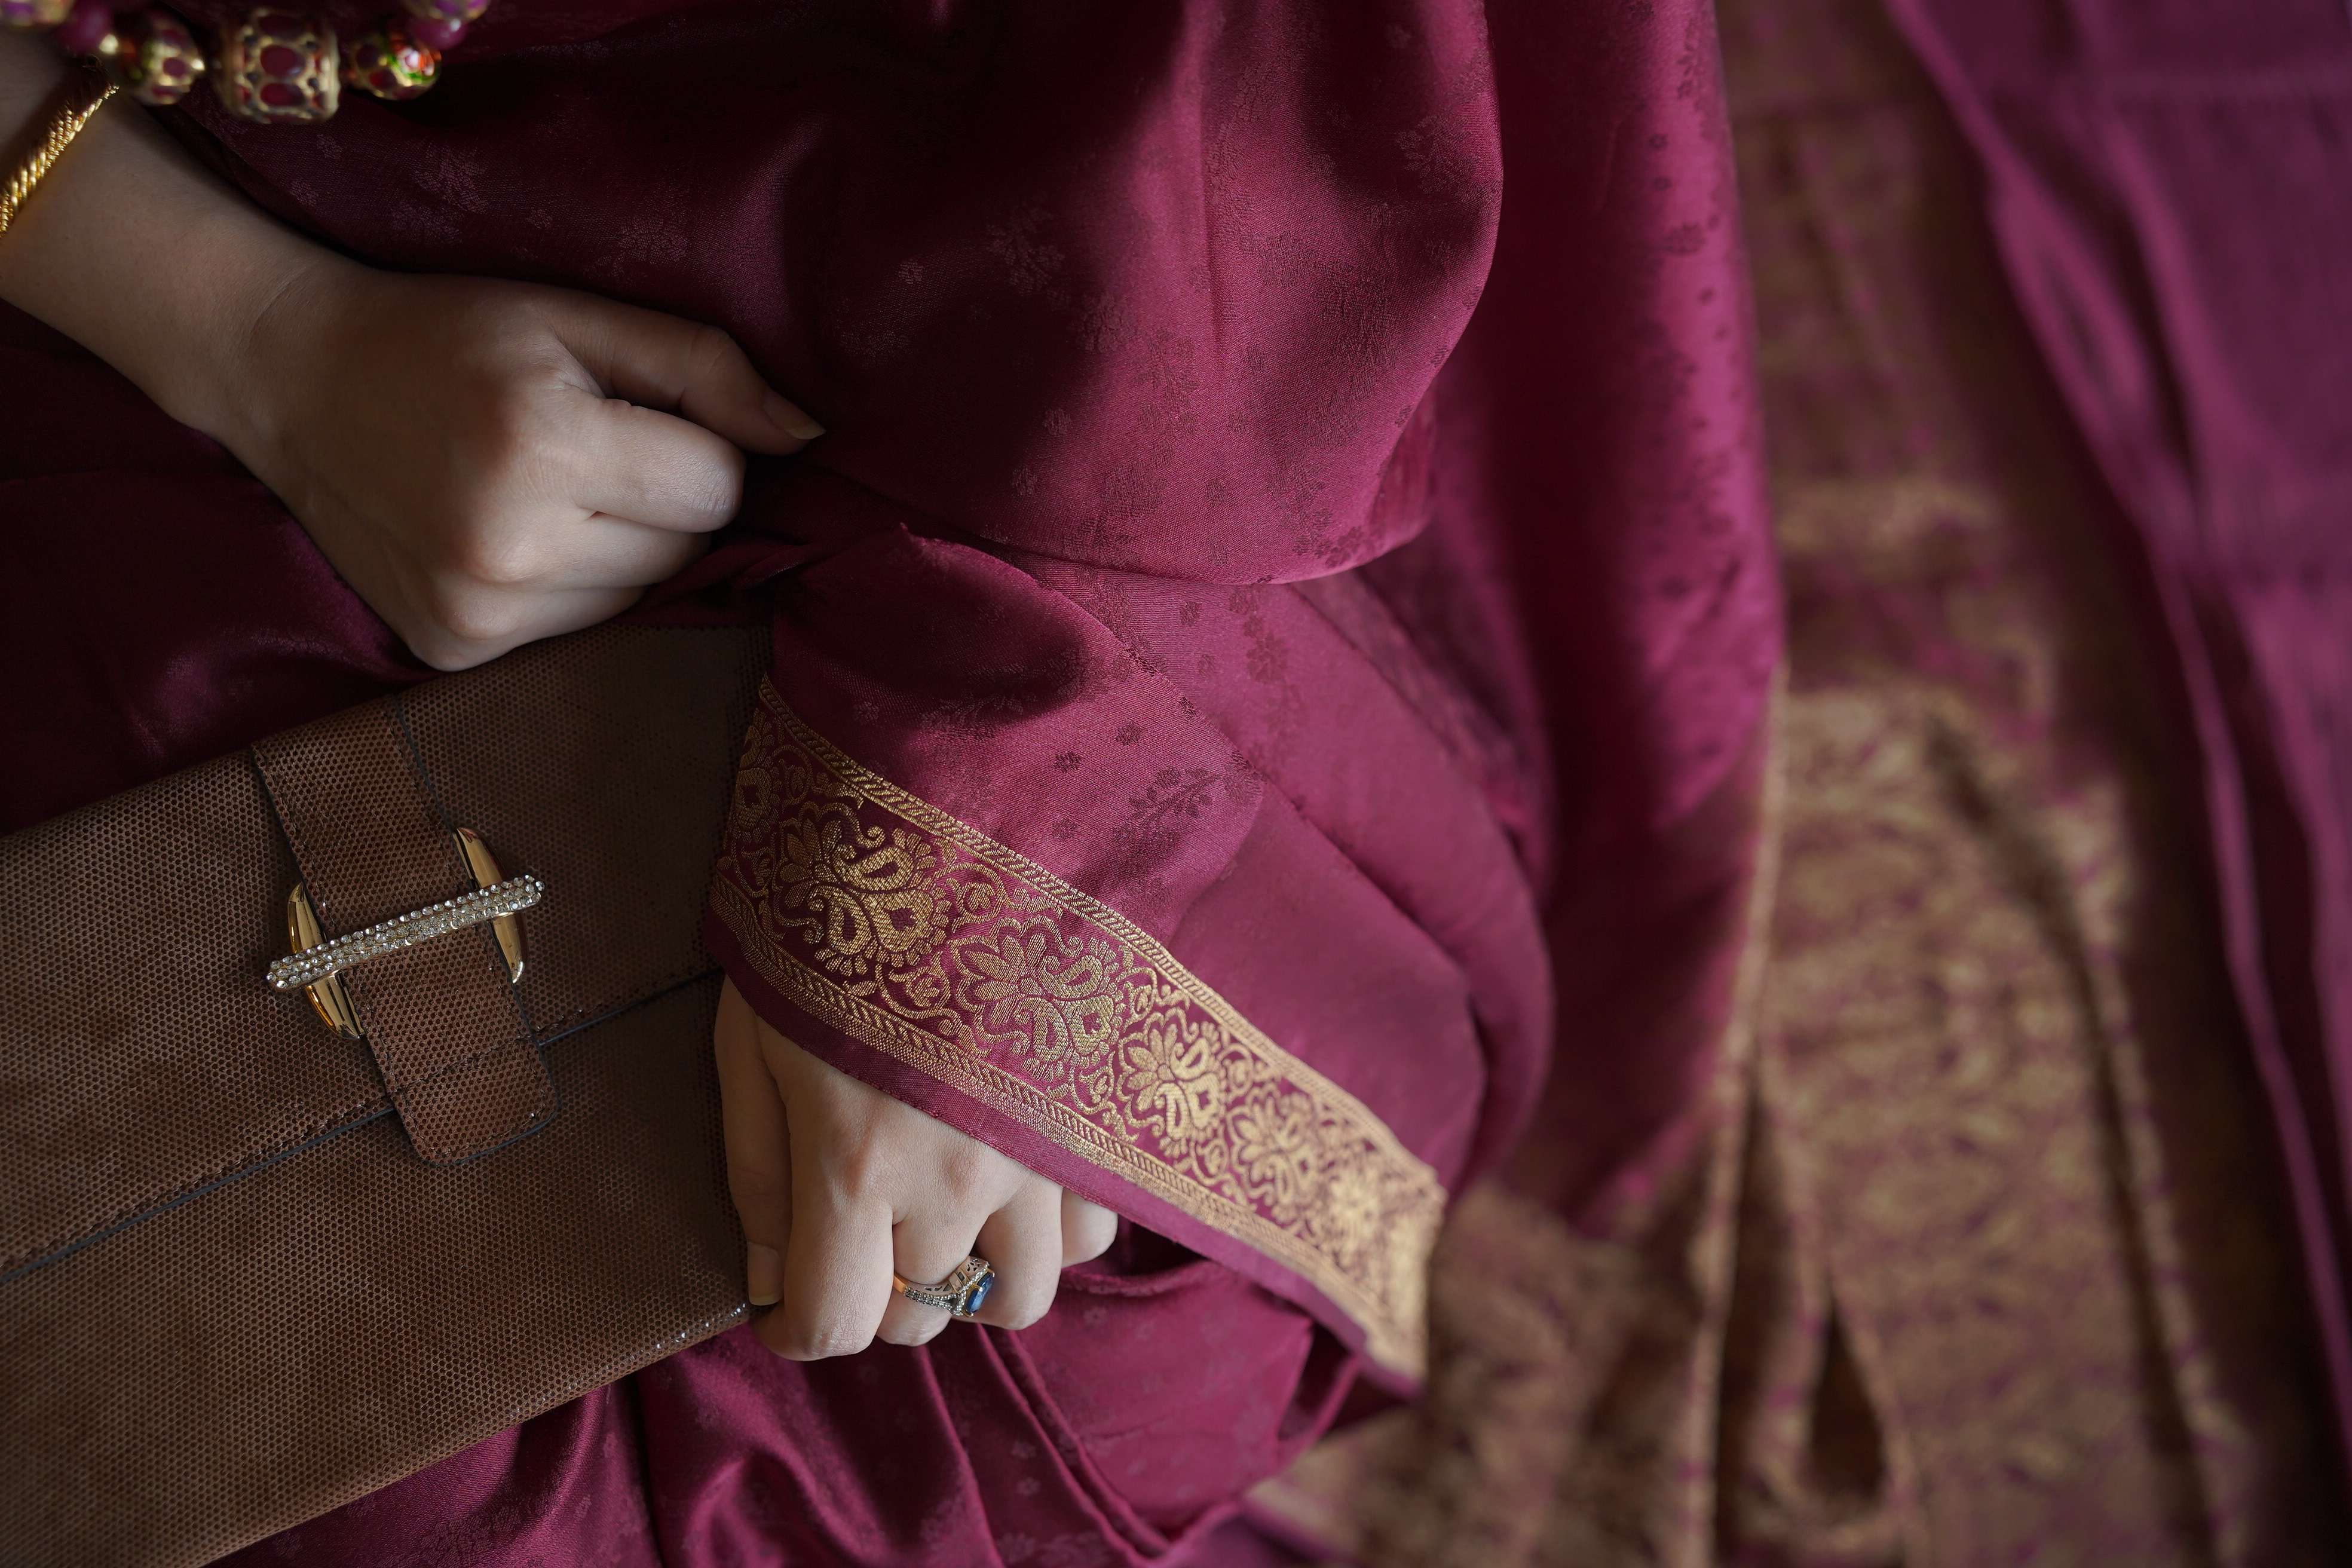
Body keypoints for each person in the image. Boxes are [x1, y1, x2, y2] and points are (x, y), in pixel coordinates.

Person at [0, 1, 1779, 1561]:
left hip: (1036, 361)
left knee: (1082, 1356)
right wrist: (259, 338)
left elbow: (1242, 165)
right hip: (161, 256)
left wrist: (962, 820)